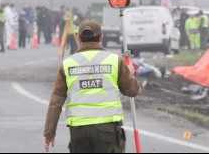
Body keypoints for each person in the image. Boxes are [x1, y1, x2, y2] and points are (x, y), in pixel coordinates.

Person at [43, 20, 140, 153]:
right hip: (108, 130)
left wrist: (49, 133)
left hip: (79, 131)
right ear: (101, 37)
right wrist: (129, 73)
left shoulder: (68, 64)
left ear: (78, 38)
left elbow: (56, 102)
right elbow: (132, 91)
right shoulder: (114, 60)